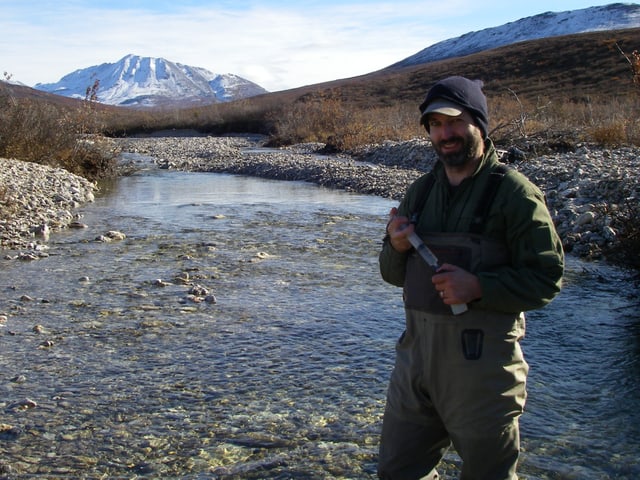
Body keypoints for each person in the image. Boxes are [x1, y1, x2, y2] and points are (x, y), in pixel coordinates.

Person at [377, 76, 564, 480]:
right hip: (414, 366)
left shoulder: (515, 195)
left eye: (455, 122)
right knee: (396, 471)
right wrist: (397, 247)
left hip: (484, 375)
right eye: (436, 125)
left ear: (479, 123)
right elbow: (392, 275)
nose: (446, 134)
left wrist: (480, 287)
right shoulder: (420, 193)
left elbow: (548, 277)